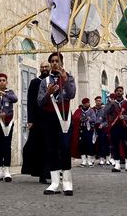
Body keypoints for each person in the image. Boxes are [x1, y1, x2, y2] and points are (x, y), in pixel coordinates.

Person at [37, 51, 76, 195]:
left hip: (64, 117)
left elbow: (71, 94)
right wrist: (47, 93)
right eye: (52, 61)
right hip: (49, 117)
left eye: (57, 60)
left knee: (65, 147)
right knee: (51, 148)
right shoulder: (44, 82)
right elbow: (39, 102)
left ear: (61, 63)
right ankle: (54, 182)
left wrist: (65, 80)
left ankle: (67, 182)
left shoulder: (68, 77)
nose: (54, 63)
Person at [21, 61, 51, 183]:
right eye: (42, 67)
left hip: (50, 119)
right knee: (38, 147)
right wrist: (30, 120)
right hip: (38, 120)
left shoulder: (53, 81)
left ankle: (50, 172)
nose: (44, 69)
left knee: (50, 147)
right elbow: (30, 102)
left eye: (46, 67)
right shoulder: (35, 82)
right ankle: (41, 173)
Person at [0, 73, 18, 182]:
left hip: (7, 123)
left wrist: (4, 95)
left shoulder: (10, 93)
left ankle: (7, 171)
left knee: (6, 146)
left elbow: (15, 99)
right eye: (0, 80)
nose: (2, 82)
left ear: (6, 82)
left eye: (4, 80)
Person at [103, 86, 127, 172]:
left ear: (122, 92)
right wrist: (111, 103)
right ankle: (117, 164)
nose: (119, 92)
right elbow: (105, 112)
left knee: (126, 145)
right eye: (117, 91)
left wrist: (125, 117)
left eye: (120, 91)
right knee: (115, 145)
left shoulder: (126, 103)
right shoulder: (112, 103)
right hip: (114, 126)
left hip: (124, 127)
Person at [71, 98, 96, 166]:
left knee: (89, 145)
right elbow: (74, 118)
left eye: (88, 102)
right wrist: (80, 119)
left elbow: (94, 119)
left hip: (89, 130)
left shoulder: (91, 111)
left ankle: (89, 161)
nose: (88, 104)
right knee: (82, 145)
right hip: (81, 130)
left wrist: (88, 118)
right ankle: (83, 161)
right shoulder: (79, 110)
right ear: (84, 103)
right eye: (87, 102)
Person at [92, 96, 110, 165]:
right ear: (95, 101)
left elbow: (107, 120)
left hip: (102, 129)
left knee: (103, 143)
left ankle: (103, 158)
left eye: (99, 101)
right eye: (97, 101)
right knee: (94, 144)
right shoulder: (92, 109)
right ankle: (94, 157)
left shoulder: (104, 110)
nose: (98, 102)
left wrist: (102, 124)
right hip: (93, 128)